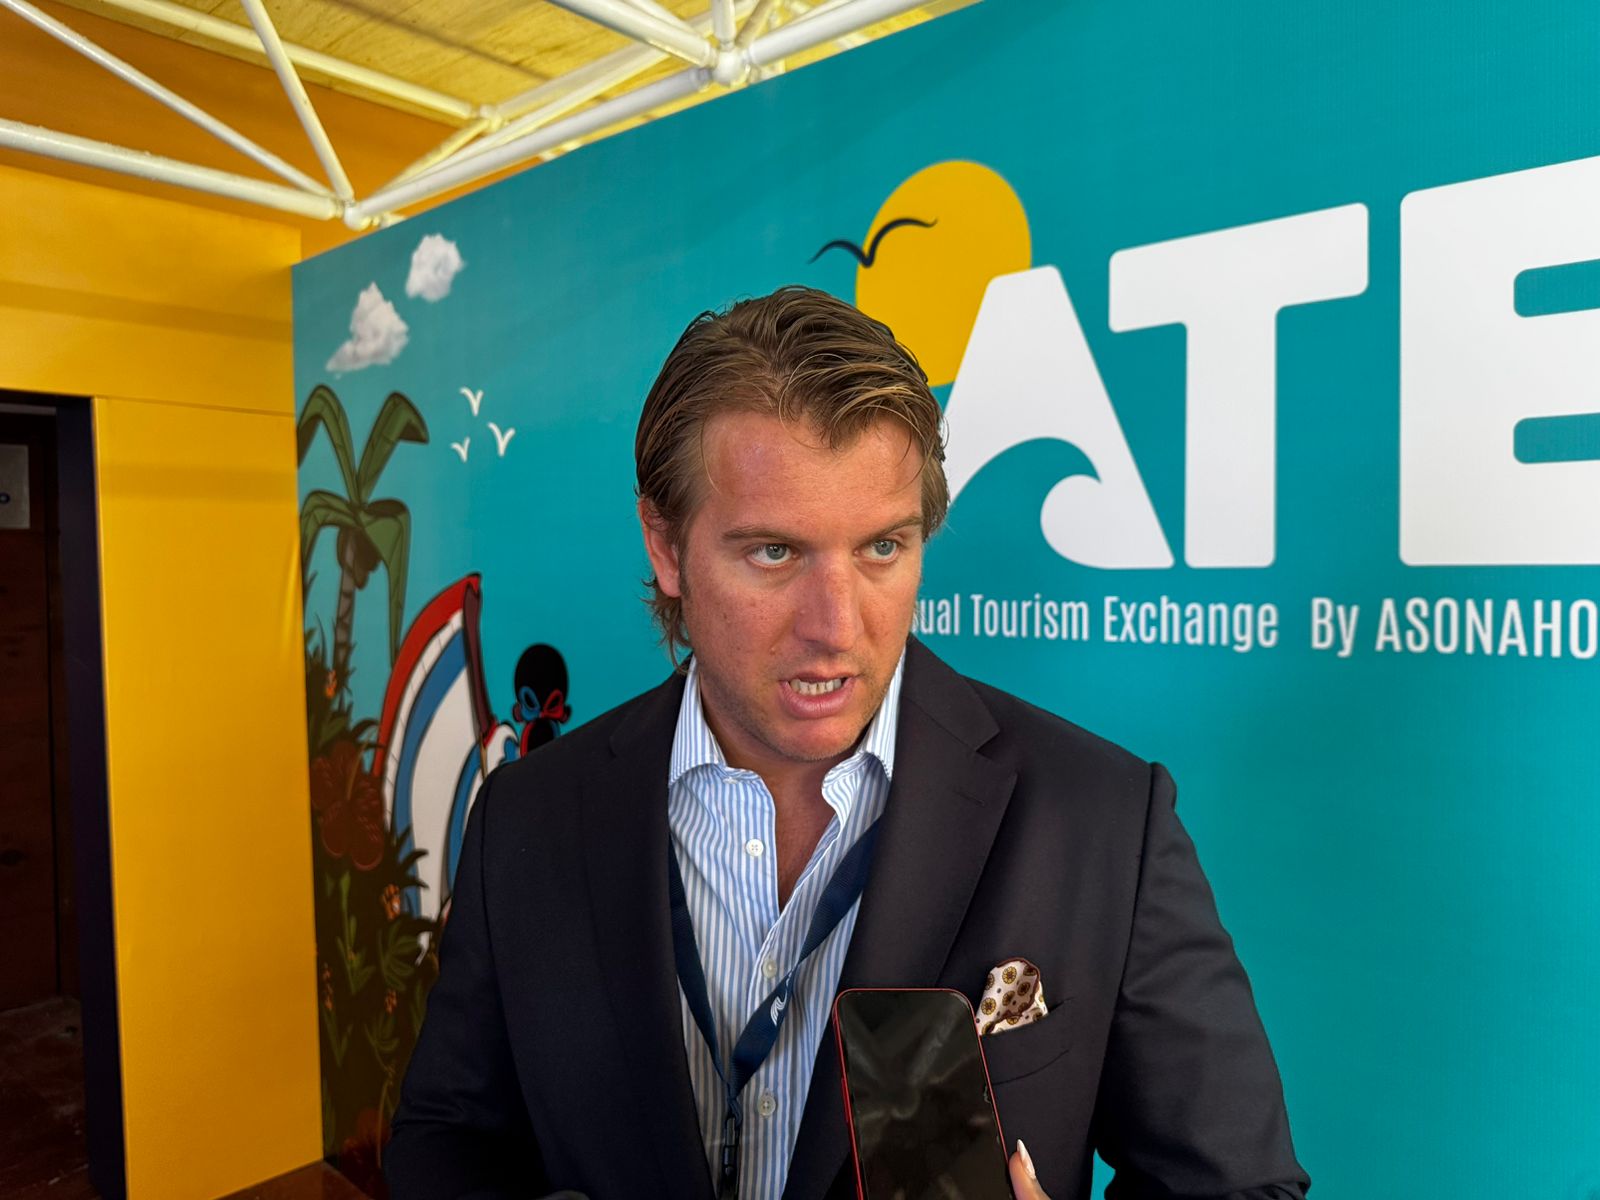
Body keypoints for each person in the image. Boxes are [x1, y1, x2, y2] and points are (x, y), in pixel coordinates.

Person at [386, 287, 1310, 1200]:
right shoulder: (528, 816)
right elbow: (448, 1138)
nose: (837, 626)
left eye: (881, 549)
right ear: (665, 547)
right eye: (774, 553)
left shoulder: (1103, 820)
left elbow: (1242, 1186)